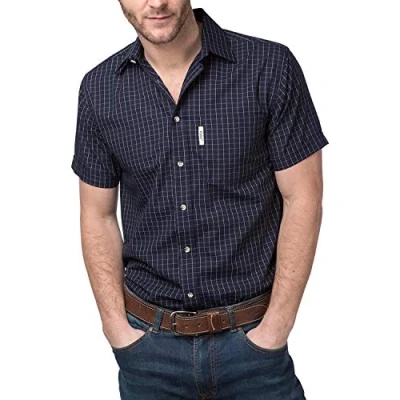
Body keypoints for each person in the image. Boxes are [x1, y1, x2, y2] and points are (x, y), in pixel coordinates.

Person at [71, 1, 329, 398]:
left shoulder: (268, 66)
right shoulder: (100, 88)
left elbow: (303, 198)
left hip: (253, 345)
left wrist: (276, 327)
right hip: (147, 351)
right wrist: (116, 328)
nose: (156, 3)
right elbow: (97, 214)